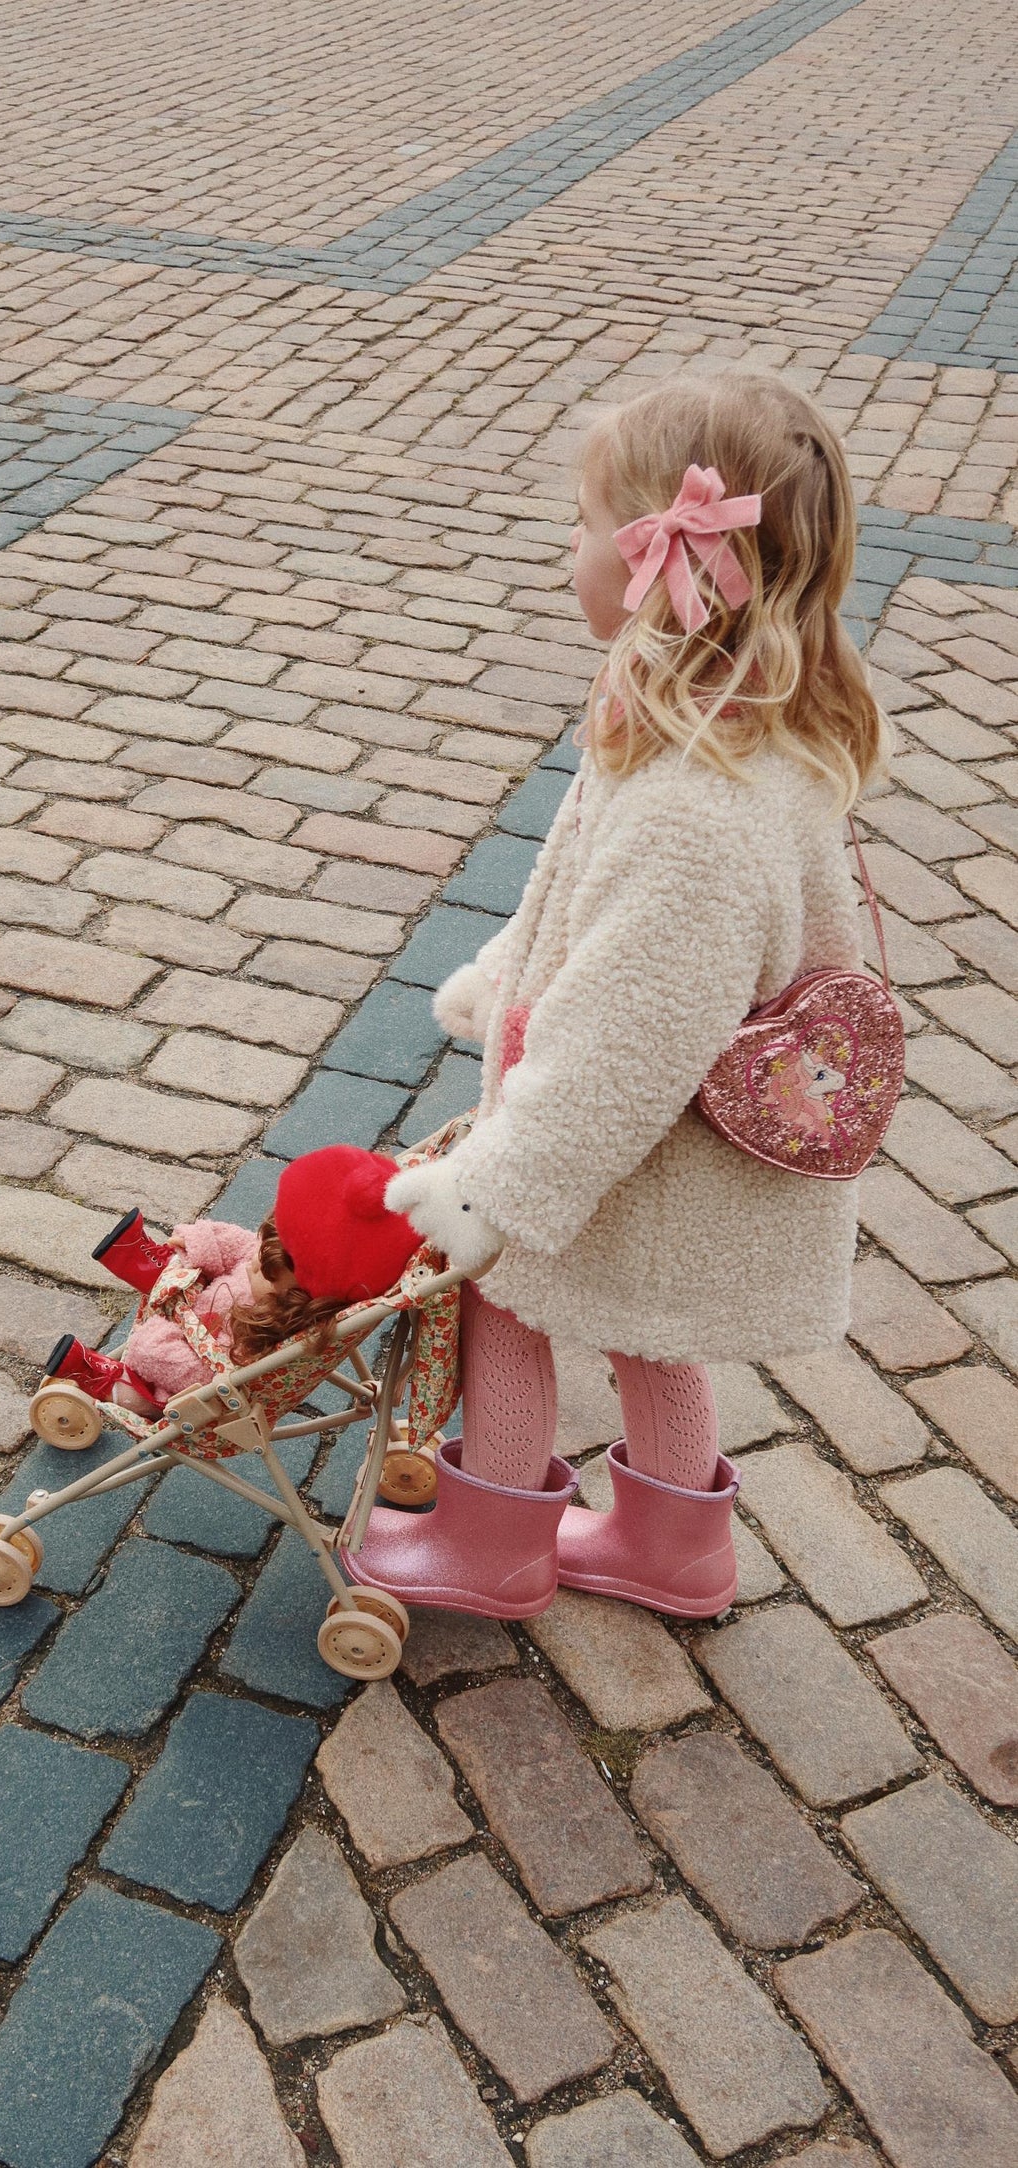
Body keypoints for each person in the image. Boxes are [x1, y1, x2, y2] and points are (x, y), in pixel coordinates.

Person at [364, 367, 888, 1620]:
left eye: (585, 523)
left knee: (503, 1291)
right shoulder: (704, 730)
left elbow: (631, 1027)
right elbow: (584, 913)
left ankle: (491, 1543)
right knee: (648, 1323)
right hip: (664, 1140)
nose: (568, 549)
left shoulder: (697, 805)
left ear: (663, 560)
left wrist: (499, 1185)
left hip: (633, 1133)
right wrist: (504, 973)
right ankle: (673, 1544)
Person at [44, 1144, 422, 1413]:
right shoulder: (278, 1263)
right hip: (194, 1305)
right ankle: (152, 1269)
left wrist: (155, 1338)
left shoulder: (261, 1332)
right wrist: (197, 1241)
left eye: (266, 1272)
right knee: (204, 1258)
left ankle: (109, 1383)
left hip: (184, 1375)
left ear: (300, 1297)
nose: (256, 1261)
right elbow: (243, 1245)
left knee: (144, 1372)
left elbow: (203, 1371)